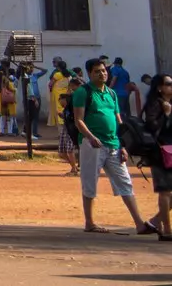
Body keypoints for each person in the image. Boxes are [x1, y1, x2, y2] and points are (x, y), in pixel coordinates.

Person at [72, 57, 154, 235]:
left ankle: (139, 223)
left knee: (125, 182)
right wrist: (91, 137)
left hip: (114, 145)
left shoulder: (111, 93)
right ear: (89, 74)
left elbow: (118, 121)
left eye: (103, 70)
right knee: (89, 182)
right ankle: (90, 222)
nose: (102, 74)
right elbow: (78, 120)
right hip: (91, 144)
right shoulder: (83, 93)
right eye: (97, 71)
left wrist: (123, 145)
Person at [136, 73, 172, 240]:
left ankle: (156, 221)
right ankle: (166, 231)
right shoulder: (155, 104)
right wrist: (165, 114)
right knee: (165, 192)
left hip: (170, 151)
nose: (171, 87)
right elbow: (153, 128)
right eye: (168, 84)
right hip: (160, 152)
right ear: (159, 87)